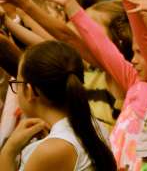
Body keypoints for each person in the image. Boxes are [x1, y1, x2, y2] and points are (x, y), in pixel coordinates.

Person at [0, 40, 116, 171]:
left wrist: (8, 151)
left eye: (17, 83)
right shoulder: (93, 125)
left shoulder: (52, 149)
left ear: (30, 91)